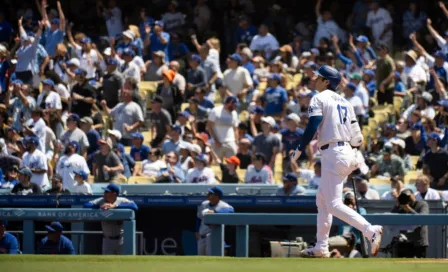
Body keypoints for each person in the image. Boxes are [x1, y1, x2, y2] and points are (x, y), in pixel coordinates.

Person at [291, 65, 383, 258]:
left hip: (333, 152)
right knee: (323, 200)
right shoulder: (346, 102)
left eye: (318, 77)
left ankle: (370, 230)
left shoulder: (319, 97)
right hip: (346, 152)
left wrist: (300, 148)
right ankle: (321, 247)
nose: (314, 79)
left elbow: (313, 124)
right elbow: (357, 138)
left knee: (332, 204)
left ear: (326, 81)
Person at [84, 184, 138, 255]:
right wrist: (99, 206)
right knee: (106, 263)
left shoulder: (121, 201)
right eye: (105, 192)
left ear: (114, 194)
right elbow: (86, 205)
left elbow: (134, 206)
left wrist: (115, 206)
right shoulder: (101, 200)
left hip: (121, 239)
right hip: (107, 240)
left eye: (107, 192)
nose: (104, 193)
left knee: (123, 262)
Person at [196, 186, 234, 256]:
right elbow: (198, 218)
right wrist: (197, 231)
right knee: (200, 256)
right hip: (201, 235)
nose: (208, 194)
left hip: (212, 236)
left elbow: (231, 211)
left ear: (217, 196)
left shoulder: (223, 206)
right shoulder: (204, 204)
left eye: (210, 193)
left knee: (210, 256)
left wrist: (215, 211)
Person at [391, 189, 429, 258]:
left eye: (408, 197)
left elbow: (422, 218)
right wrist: (397, 205)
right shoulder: (401, 206)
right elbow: (391, 217)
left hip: (419, 241)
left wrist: (409, 209)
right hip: (404, 242)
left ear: (413, 195)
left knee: (420, 265)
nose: (407, 199)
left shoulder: (422, 204)